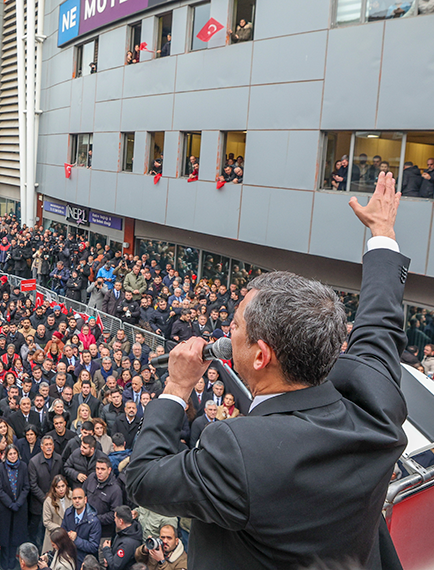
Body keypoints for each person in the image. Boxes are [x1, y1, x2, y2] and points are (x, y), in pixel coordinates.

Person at [125, 171, 409, 569]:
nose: (228, 330)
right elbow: (380, 324)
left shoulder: (240, 452)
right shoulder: (374, 403)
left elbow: (143, 478)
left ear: (261, 356)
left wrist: (176, 387)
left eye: (236, 325)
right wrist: (382, 235)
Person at [0, 445, 30, 569]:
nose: (13, 456)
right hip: (4, 509)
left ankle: (13, 563)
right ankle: (4, 565)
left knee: (16, 538)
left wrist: (18, 503)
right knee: (4, 539)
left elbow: (26, 487)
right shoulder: (0, 468)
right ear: (6, 455)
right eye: (10, 454)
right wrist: (10, 503)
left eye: (14, 453)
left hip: (19, 508)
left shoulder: (23, 466)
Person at [59, 488, 99, 561]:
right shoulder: (68, 513)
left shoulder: (93, 521)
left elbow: (93, 547)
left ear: (85, 499)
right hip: (69, 557)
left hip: (85, 561)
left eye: (80, 498)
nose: (77, 500)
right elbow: (62, 533)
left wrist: (76, 539)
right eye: (74, 498)